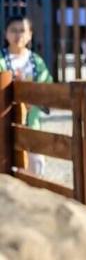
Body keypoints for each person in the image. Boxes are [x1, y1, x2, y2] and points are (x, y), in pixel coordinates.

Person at [0, 15, 53, 176]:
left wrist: (33, 98)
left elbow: (47, 87)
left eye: (22, 31)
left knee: (36, 166)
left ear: (30, 34)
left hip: (32, 122)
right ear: (5, 34)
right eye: (13, 31)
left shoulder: (37, 61)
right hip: (4, 124)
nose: (18, 35)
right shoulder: (1, 59)